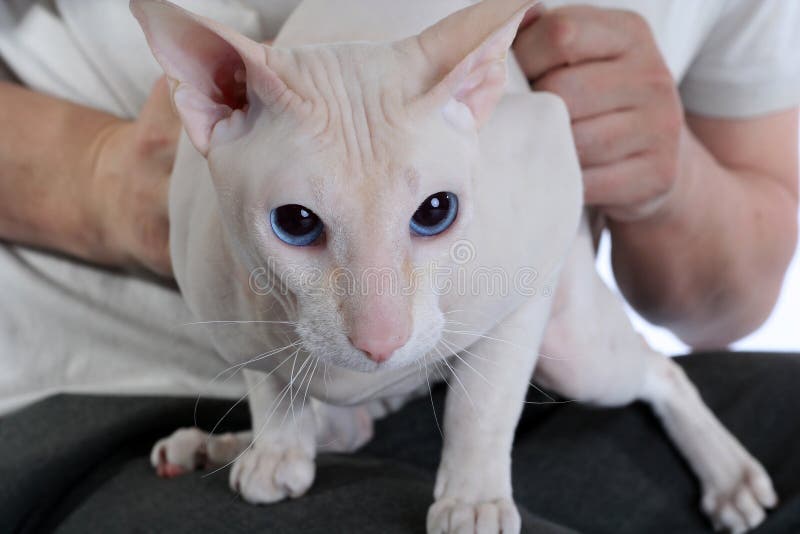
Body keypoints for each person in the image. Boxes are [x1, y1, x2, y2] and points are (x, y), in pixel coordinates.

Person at [1, 1, 799, 533]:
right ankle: (303, 429)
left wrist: (671, 179)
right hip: (124, 387)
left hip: (491, 361)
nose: (377, 332)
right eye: (299, 225)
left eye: (434, 213)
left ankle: (667, 392)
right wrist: (104, 176)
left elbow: (730, 294)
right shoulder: (225, 145)